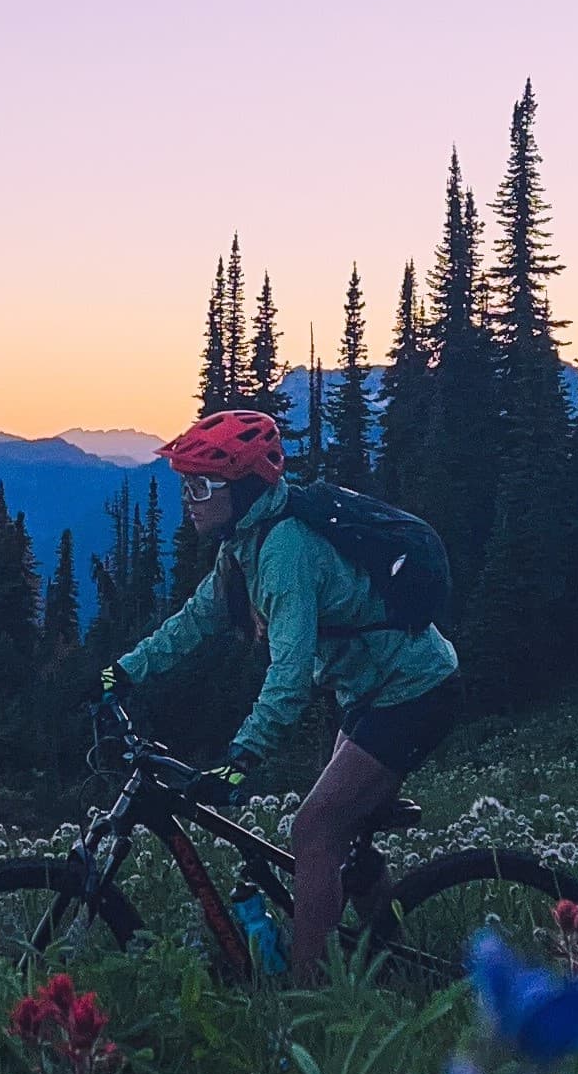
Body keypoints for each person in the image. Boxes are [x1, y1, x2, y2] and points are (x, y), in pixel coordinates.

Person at [99, 409, 462, 985]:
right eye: (184, 485)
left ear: (241, 489)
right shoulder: (245, 542)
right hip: (370, 692)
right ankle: (391, 961)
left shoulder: (285, 550)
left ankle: (307, 1001)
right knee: (343, 837)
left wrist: (243, 758)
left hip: (414, 690)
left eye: (199, 486)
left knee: (313, 832)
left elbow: (289, 673)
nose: (188, 500)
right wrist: (122, 673)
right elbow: (197, 621)